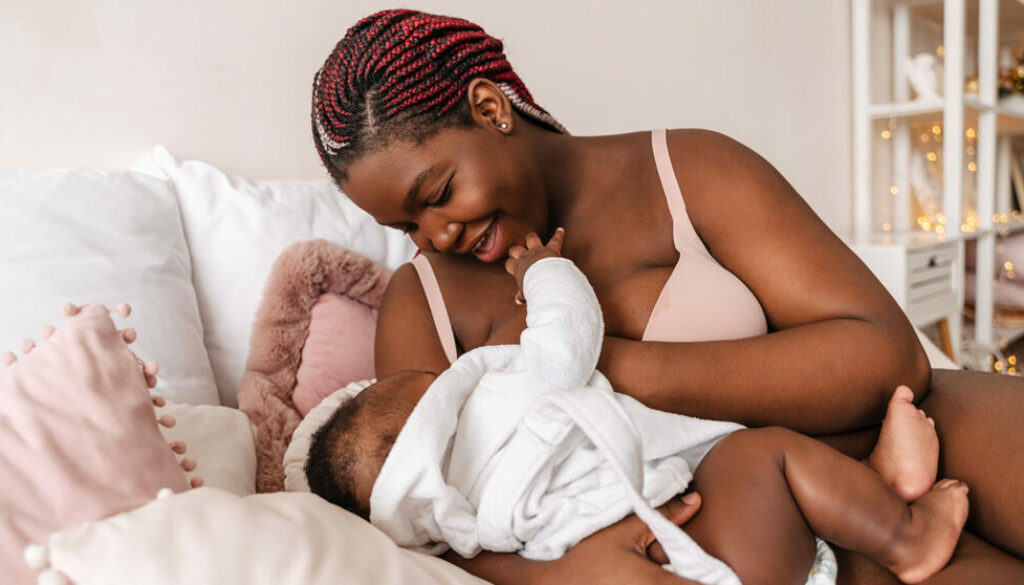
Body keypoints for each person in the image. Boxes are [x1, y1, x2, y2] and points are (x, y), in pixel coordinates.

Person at [310, 9, 1024, 584]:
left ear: (492, 108)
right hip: (734, 539)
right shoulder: (422, 298)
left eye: (435, 194)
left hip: (886, 441)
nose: (435, 234)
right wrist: (557, 576)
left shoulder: (689, 169)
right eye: (406, 225)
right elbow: (419, 508)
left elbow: (885, 355)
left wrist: (594, 365)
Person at [305, 229, 969, 585]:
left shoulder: (451, 532)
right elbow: (566, 342)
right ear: (400, 434)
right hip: (711, 548)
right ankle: (905, 534)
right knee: (762, 451)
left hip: (689, 546)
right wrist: (542, 271)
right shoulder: (489, 408)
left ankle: (872, 487)